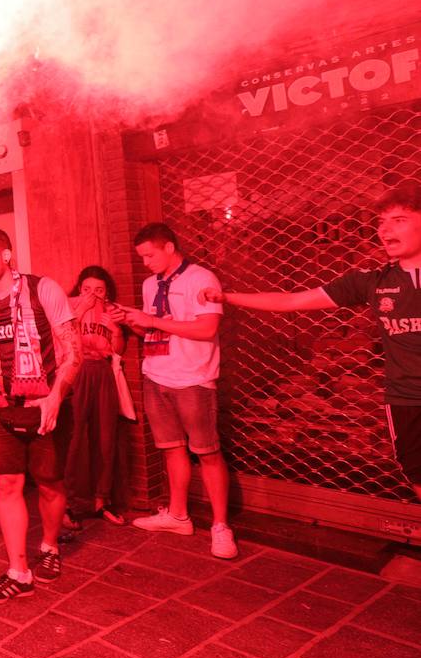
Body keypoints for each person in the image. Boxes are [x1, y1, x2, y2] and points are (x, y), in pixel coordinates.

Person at [198, 185, 421, 503]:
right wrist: (227, 297)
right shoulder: (373, 281)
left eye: (398, 219)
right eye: (381, 222)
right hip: (405, 400)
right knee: (416, 473)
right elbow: (293, 301)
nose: (385, 229)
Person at [0, 227, 79, 604]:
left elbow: (73, 352)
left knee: (49, 484)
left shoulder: (45, 289)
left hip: (44, 403)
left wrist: (56, 397)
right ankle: (18, 571)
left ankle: (49, 546)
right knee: (8, 486)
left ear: (6, 255)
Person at [112, 223, 237, 560]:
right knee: (171, 449)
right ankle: (178, 516)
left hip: (193, 378)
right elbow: (152, 328)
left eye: (150, 255)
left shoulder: (201, 278)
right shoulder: (150, 284)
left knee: (207, 452)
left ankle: (221, 526)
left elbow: (207, 327)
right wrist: (131, 320)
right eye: (141, 257)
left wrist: (152, 322)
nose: (146, 262)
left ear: (169, 247)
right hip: (157, 373)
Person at [66, 266, 129, 525]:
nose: (93, 294)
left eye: (99, 290)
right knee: (74, 436)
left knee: (105, 435)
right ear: (79, 288)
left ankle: (101, 499)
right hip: (76, 372)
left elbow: (118, 350)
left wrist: (115, 331)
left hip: (102, 373)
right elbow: (59, 336)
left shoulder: (112, 310)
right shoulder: (69, 305)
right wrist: (78, 313)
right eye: (88, 288)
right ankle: (68, 503)